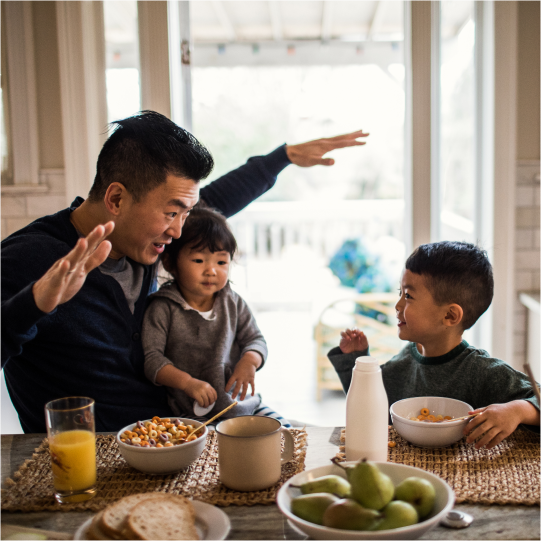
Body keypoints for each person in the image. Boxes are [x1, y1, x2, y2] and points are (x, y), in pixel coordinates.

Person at [0, 110, 369, 433]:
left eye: (185, 214)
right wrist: (31, 305)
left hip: (190, 430)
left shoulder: (145, 235)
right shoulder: (31, 258)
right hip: (103, 460)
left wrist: (281, 158)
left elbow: (217, 202)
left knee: (323, 451)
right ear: (116, 199)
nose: (178, 231)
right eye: (172, 212)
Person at [328, 241, 541, 450]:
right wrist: (357, 362)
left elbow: (536, 397)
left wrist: (517, 410)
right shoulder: (405, 359)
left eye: (409, 296)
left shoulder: (482, 372)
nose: (398, 304)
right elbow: (368, 408)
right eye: (400, 293)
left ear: (450, 315)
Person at [142, 206, 289, 426]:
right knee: (204, 453)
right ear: (171, 263)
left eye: (221, 262)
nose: (211, 270)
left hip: (245, 406)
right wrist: (188, 383)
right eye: (199, 261)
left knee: (284, 432)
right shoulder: (163, 307)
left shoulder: (233, 302)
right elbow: (152, 360)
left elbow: (256, 340)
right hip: (192, 414)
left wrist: (249, 362)